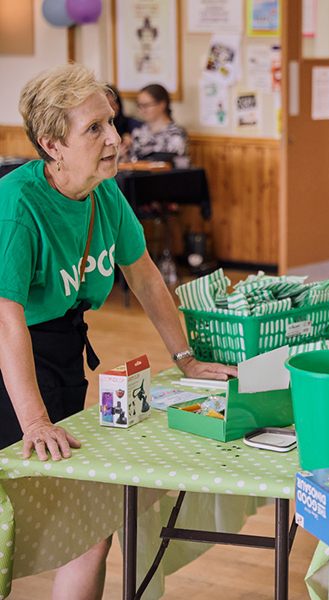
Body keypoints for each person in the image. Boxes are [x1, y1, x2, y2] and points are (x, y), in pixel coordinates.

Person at [2, 63, 236, 599]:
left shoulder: (105, 194)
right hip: (8, 360)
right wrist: (34, 420)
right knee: (4, 525)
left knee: (88, 525)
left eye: (111, 122)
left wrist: (186, 359)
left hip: (58, 353)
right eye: (94, 129)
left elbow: (147, 277)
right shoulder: (16, 206)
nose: (114, 138)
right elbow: (5, 318)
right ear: (51, 144)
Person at [128, 83, 188, 161]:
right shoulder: (138, 133)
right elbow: (133, 161)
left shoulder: (176, 133)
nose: (142, 110)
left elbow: (179, 165)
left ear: (162, 104)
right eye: (140, 105)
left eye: (146, 105)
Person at [105, 84, 142, 159]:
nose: (114, 107)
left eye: (115, 102)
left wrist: (133, 138)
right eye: (110, 104)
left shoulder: (129, 123)